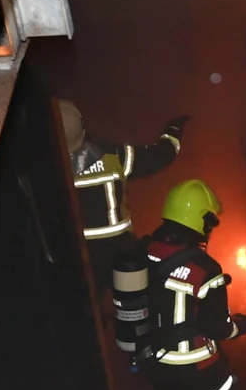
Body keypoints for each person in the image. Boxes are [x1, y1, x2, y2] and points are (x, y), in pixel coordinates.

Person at [143, 179, 246, 390]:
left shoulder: (145, 251)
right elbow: (217, 327)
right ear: (200, 221)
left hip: (155, 362)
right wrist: (241, 327)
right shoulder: (206, 269)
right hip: (199, 366)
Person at [56, 98, 187, 285]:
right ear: (82, 125)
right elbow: (160, 156)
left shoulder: (48, 167)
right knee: (134, 304)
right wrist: (174, 131)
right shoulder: (115, 156)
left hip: (76, 256)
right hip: (122, 254)